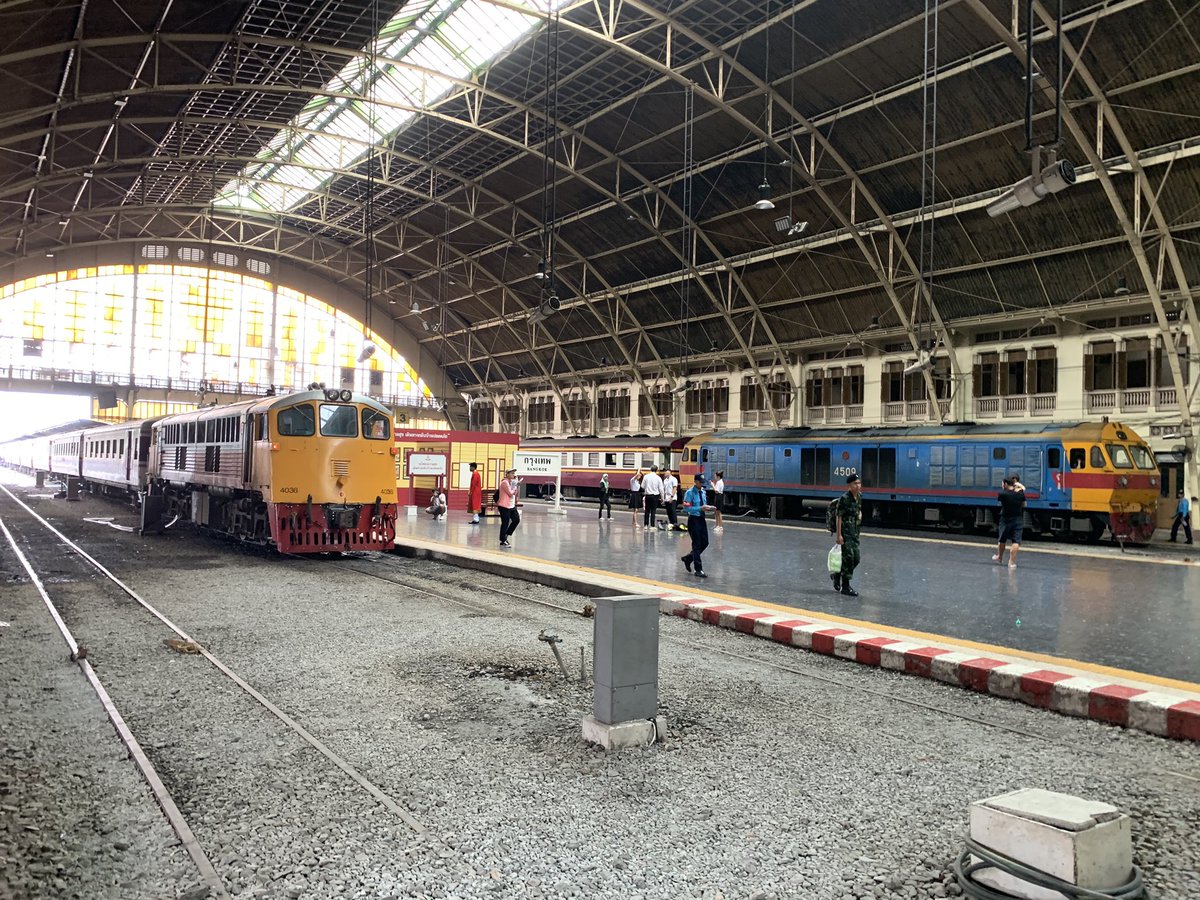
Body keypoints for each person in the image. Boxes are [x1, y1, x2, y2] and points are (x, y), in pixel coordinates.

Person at [680, 473, 717, 578]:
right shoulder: (690, 493)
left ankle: (688, 558)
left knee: (705, 542)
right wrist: (699, 508)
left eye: (703, 483)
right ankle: (698, 569)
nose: (702, 484)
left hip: (701, 519)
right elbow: (686, 508)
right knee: (696, 544)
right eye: (700, 482)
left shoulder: (703, 492)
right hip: (693, 520)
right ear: (695, 481)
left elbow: (703, 505)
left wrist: (709, 507)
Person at [832, 473, 863, 596]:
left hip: (855, 532)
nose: (858, 485)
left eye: (859, 483)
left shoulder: (859, 496)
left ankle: (837, 574)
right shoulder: (844, 498)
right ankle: (845, 586)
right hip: (845, 532)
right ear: (849, 485)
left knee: (856, 558)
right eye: (855, 483)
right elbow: (839, 517)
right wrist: (839, 535)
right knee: (849, 557)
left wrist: (860, 517)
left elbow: (859, 510)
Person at [993, 474, 1026, 568]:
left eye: (1002, 484)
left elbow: (1000, 501)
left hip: (1005, 519)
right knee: (1016, 541)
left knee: (1002, 539)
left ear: (1006, 484)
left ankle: (1000, 557)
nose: (1002, 486)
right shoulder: (1020, 494)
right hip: (1017, 519)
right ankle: (1011, 562)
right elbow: (1024, 505)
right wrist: (1020, 488)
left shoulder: (1002, 494)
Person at [497, 468, 521, 547]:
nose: (513, 475)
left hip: (511, 506)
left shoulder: (512, 482)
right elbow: (510, 493)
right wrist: (515, 486)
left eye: (514, 473)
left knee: (516, 519)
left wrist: (516, 486)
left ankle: (507, 534)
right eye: (511, 473)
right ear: (507, 474)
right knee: (505, 523)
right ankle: (503, 540)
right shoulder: (505, 482)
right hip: (504, 506)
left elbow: (515, 493)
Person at [640, 465, 664, 529]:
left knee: (647, 511)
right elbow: (661, 489)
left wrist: (647, 488)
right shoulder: (658, 478)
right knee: (653, 511)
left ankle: (645, 525)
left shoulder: (646, 476)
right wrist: (662, 498)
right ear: (656, 470)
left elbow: (642, 486)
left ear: (650, 469)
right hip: (655, 496)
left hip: (648, 495)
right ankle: (652, 525)